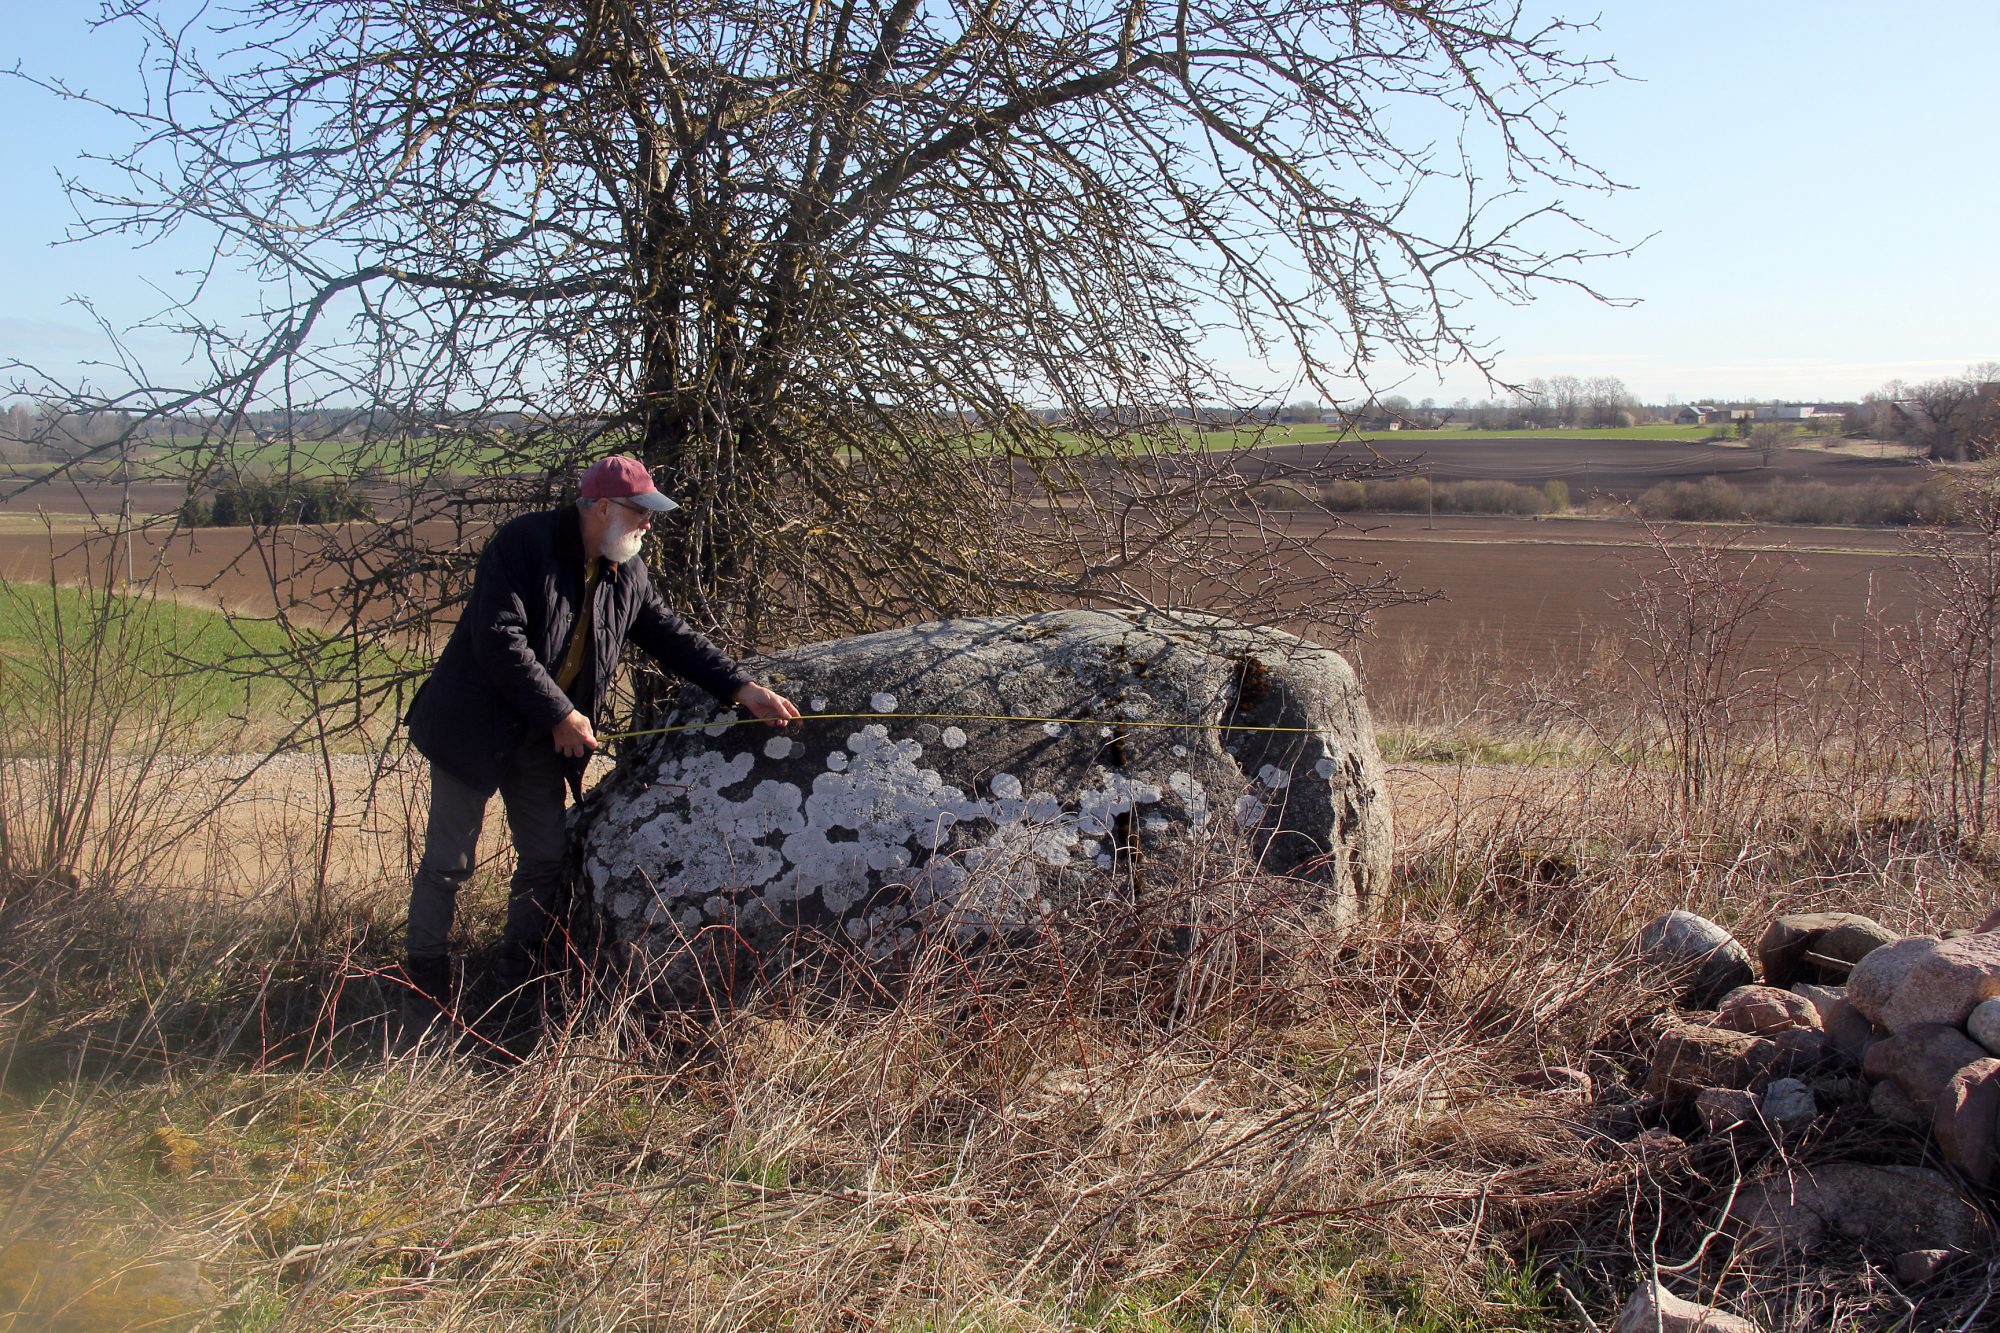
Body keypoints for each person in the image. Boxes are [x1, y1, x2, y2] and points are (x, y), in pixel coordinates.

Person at [398, 454, 798, 1042]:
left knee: (543, 857)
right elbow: (498, 638)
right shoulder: (523, 544)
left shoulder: (625, 573)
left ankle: (515, 980)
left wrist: (741, 688)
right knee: (446, 867)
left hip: (540, 741)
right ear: (604, 507)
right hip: (472, 731)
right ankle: (425, 988)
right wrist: (560, 711)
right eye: (640, 512)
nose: (648, 525)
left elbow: (670, 636)